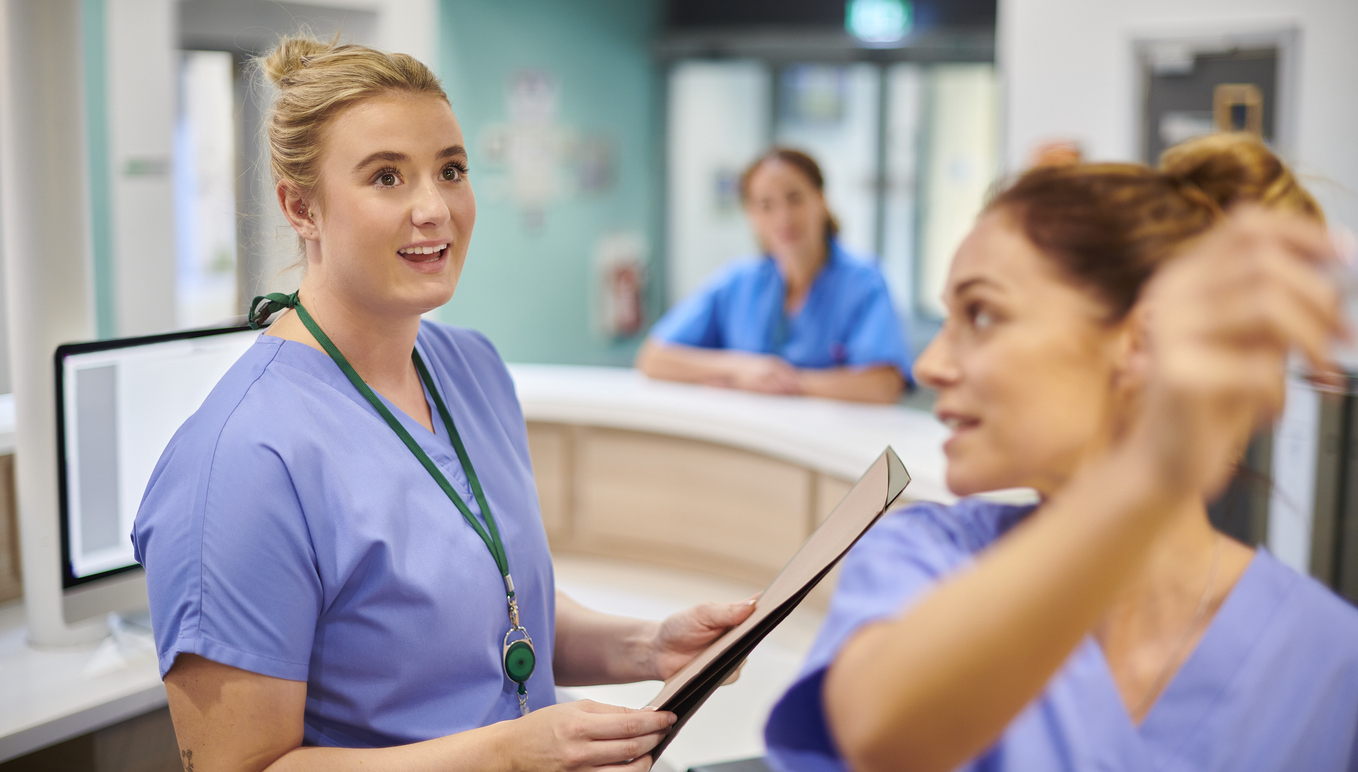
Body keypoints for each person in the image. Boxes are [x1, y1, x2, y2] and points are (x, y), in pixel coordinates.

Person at [132, 37, 756, 772]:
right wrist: (508, 755)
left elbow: (491, 621)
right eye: (387, 177)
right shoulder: (240, 463)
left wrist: (647, 646)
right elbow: (244, 768)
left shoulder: (471, 370)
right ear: (300, 207)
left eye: (451, 171)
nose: (434, 209)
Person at [762, 133, 1358, 772]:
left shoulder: (1329, 661)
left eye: (982, 313)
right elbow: (882, 736)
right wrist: (1146, 473)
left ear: (1137, 337)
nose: (929, 364)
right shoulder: (924, 555)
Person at [635, 148, 911, 404]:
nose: (783, 218)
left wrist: (783, 382)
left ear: (821, 200)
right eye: (766, 205)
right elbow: (654, 358)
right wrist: (742, 369)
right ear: (752, 216)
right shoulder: (738, 282)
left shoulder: (863, 282)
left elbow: (883, 385)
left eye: (795, 199)